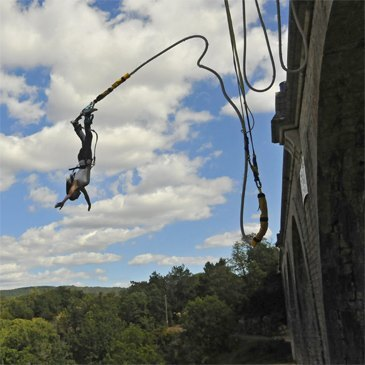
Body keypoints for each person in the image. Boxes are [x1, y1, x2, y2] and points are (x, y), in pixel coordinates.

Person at [55, 107, 97, 211]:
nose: (78, 196)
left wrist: (63, 202)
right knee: (85, 140)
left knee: (89, 138)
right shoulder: (81, 187)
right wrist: (89, 204)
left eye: (76, 196)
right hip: (82, 159)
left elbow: (69, 195)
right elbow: (86, 196)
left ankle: (87, 117)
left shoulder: (75, 185)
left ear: (74, 193)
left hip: (86, 159)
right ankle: (76, 125)